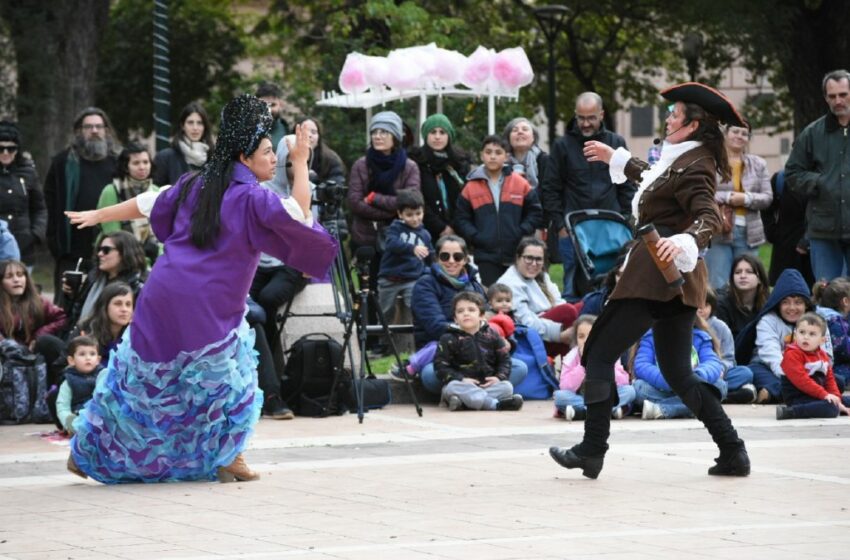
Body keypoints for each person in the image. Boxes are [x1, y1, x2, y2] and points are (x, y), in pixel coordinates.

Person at [63, 94, 337, 484]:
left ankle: (84, 451)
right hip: (208, 304)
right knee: (230, 375)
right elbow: (301, 216)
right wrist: (301, 161)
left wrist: (100, 215)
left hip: (163, 294)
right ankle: (230, 456)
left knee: (141, 379)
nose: (272, 158)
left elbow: (147, 202)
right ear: (244, 157)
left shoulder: (196, 183)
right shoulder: (253, 197)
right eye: (265, 151)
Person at [549, 82, 751, 479]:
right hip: (672, 279)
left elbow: (708, 215)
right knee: (678, 372)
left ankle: (592, 450)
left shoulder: (697, 164)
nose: (668, 118)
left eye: (674, 114)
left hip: (656, 275)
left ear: (691, 126)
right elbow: (656, 180)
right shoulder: (681, 159)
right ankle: (733, 451)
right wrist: (617, 158)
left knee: (600, 353)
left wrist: (685, 240)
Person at [540, 92, 636, 300]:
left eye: (591, 118)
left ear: (601, 115)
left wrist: (626, 218)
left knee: (614, 280)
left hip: (611, 226)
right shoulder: (562, 146)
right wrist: (560, 225)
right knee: (572, 284)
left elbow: (627, 184)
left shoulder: (615, 142)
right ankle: (574, 328)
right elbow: (550, 188)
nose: (585, 123)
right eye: (581, 118)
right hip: (573, 227)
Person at [410, 235, 527, 392]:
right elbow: (435, 327)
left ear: (465, 259)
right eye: (445, 256)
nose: (451, 261)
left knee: (521, 368)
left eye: (457, 256)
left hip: (482, 356)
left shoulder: (475, 286)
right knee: (430, 375)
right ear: (437, 258)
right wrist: (469, 335)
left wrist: (508, 343)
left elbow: (493, 320)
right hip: (444, 356)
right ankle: (483, 392)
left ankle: (465, 393)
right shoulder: (425, 284)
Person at [348, 111, 420, 353]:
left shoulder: (409, 166)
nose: (378, 136)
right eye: (375, 132)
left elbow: (410, 202)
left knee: (392, 290)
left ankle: (391, 341)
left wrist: (375, 199)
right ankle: (369, 338)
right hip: (365, 237)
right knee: (367, 290)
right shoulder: (361, 164)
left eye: (384, 132)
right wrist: (390, 209)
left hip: (397, 238)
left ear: (396, 136)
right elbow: (355, 203)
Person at [44, 107, 119, 302]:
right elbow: (50, 204)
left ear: (106, 130)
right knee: (66, 308)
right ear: (79, 131)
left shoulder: (118, 163)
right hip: (72, 250)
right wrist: (56, 245)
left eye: (98, 126)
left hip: (110, 249)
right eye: (89, 127)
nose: (94, 131)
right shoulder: (62, 163)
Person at [785, 69, 850, 281]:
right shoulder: (812, 133)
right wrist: (820, 182)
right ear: (825, 98)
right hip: (823, 227)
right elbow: (792, 173)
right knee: (827, 293)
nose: (838, 101)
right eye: (832, 96)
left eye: (843, 94)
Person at [454, 135, 543, 285]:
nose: (493, 156)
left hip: (516, 253)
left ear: (506, 156)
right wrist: (476, 236)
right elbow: (461, 218)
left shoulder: (520, 183)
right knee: (491, 298)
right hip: (485, 255)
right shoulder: (471, 186)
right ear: (482, 155)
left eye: (498, 152)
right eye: (488, 152)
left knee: (515, 299)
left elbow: (535, 212)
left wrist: (520, 231)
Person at [704, 122, 772, 290]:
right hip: (719, 229)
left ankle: (745, 315)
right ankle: (720, 315)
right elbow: (703, 192)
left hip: (750, 232)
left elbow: (767, 197)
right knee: (719, 283)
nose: (739, 136)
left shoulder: (758, 164)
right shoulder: (711, 162)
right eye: (735, 131)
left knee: (747, 282)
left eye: (744, 133)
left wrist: (746, 198)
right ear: (725, 134)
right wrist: (728, 197)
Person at [737, 268, 816, 404]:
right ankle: (802, 393)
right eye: (785, 302)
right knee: (754, 373)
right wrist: (798, 381)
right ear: (778, 303)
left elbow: (826, 356)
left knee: (835, 380)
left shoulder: (816, 321)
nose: (792, 307)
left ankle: (775, 394)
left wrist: (805, 377)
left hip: (806, 369)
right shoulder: (768, 321)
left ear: (806, 305)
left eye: (798, 302)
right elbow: (772, 356)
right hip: (767, 367)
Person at [434, 292, 523, 411]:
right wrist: (461, 379)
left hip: (487, 385)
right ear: (455, 318)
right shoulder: (448, 338)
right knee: (451, 388)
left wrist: (499, 377)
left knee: (507, 387)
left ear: (481, 315)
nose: (466, 313)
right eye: (460, 311)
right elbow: (440, 366)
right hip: (463, 385)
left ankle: (464, 403)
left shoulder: (492, 335)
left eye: (471, 310)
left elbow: (504, 360)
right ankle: (494, 404)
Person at [496, 238, 579, 357]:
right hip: (528, 336)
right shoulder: (509, 283)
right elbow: (526, 322)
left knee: (583, 306)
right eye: (529, 258)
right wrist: (560, 335)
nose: (534, 264)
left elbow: (558, 302)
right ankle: (573, 362)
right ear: (518, 258)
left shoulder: (542, 276)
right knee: (568, 311)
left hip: (548, 324)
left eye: (538, 259)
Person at [634, 316, 727, 420]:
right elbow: (642, 365)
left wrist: (698, 375)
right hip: (662, 389)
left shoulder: (700, 337)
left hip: (691, 387)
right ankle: (695, 407)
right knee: (639, 388)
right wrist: (669, 381)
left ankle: (662, 409)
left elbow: (712, 362)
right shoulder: (650, 337)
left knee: (720, 386)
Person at [554, 314, 635, 421]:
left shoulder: (610, 353)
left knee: (630, 391)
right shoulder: (571, 357)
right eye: (581, 336)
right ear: (576, 339)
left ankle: (583, 412)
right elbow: (565, 386)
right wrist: (583, 364)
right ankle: (608, 411)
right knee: (559, 397)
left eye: (590, 335)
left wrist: (606, 363)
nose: (586, 340)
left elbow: (623, 381)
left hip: (605, 396)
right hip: (581, 397)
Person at [0, 259, 67, 385]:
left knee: (48, 342)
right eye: (9, 276)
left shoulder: (37, 301)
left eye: (20, 275)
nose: (16, 280)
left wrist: (38, 336)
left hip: (32, 355)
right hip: (5, 357)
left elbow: (61, 318)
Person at [64, 230, 147, 330]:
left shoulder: (136, 288)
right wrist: (70, 296)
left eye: (106, 250)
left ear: (125, 253)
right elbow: (74, 315)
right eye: (99, 249)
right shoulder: (94, 278)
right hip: (78, 336)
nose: (100, 254)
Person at [409, 113, 471, 241]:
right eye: (433, 132)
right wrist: (441, 227)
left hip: (458, 231)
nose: (437, 137)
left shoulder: (459, 163)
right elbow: (417, 197)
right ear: (426, 135)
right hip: (425, 231)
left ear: (449, 136)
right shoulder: (416, 162)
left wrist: (453, 226)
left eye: (442, 132)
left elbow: (465, 198)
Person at [776, 312, 850, 420]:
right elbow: (803, 381)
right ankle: (790, 412)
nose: (805, 337)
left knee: (842, 400)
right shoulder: (792, 354)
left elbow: (830, 380)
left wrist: (837, 399)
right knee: (831, 408)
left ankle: (839, 408)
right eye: (802, 332)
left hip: (815, 394)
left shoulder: (823, 355)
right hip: (798, 398)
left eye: (812, 334)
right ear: (795, 335)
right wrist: (825, 395)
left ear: (822, 340)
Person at [97, 142, 162, 263]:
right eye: (136, 163)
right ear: (126, 166)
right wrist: (140, 252)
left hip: (155, 263)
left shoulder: (157, 192)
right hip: (120, 262)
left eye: (145, 162)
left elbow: (164, 233)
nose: (142, 167)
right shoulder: (111, 191)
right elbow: (112, 236)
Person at [377, 189, 432, 322]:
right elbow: (391, 244)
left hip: (412, 279)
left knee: (414, 308)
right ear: (400, 214)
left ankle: (416, 339)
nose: (415, 219)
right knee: (385, 312)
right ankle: (383, 339)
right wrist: (412, 248)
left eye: (418, 213)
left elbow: (430, 256)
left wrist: (431, 270)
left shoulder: (425, 234)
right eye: (409, 215)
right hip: (389, 279)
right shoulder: (395, 228)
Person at [698, 287, 756, 404]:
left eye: (706, 305)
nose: (701, 310)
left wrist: (721, 369)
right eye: (697, 305)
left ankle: (719, 394)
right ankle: (723, 394)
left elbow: (729, 358)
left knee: (746, 373)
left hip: (719, 373)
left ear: (712, 307)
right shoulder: (687, 326)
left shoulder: (721, 327)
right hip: (696, 373)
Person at [0, 121, 47, 264]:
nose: (5, 153)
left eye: (11, 148)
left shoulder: (28, 171)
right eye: (0, 148)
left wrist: (35, 235)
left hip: (24, 247)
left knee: (20, 284)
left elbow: (40, 208)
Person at [761, 170, 814, 287]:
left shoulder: (822, 175)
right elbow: (767, 208)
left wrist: (807, 239)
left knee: (815, 293)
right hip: (785, 249)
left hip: (816, 248)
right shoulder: (781, 179)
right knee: (785, 292)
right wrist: (772, 233)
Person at [152, 102, 215, 187]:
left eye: (199, 123)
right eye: (190, 122)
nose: (195, 128)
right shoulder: (165, 157)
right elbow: (156, 192)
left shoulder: (214, 159)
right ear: (182, 126)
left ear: (204, 127)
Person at [71, 282, 134, 366]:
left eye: (128, 304)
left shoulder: (134, 334)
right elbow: (64, 364)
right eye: (118, 304)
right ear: (104, 306)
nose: (124, 309)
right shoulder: (85, 330)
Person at [54, 336, 105, 434]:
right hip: (79, 417)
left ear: (98, 359)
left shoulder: (103, 376)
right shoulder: (69, 381)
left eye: (92, 354)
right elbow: (62, 406)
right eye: (82, 354)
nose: (88, 358)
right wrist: (69, 422)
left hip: (101, 415)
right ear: (71, 360)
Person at [715, 254, 770, 339]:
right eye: (738, 272)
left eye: (749, 272)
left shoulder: (768, 304)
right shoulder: (722, 305)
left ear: (760, 279)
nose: (742, 276)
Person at [812, 277, 850, 390]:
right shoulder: (835, 322)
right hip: (831, 366)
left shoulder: (820, 315)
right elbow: (844, 349)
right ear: (845, 301)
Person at [255, 82, 290, 150]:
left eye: (273, 105)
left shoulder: (287, 129)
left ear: (280, 104)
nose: (269, 110)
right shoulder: (247, 131)